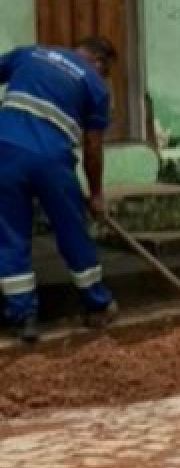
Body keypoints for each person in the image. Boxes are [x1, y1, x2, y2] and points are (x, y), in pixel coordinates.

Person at [0, 38, 120, 342]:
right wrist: (96, 193)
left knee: (10, 235)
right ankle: (97, 304)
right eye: (106, 71)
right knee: (72, 230)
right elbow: (93, 148)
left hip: (5, 152)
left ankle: (23, 318)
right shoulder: (95, 86)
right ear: (99, 62)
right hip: (52, 162)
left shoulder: (30, 53)